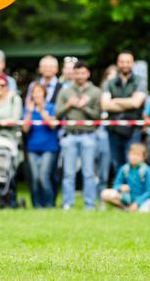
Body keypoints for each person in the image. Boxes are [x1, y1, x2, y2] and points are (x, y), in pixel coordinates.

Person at [56, 61, 101, 210]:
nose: (80, 76)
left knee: (88, 173)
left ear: (88, 74)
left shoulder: (95, 91)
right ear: (73, 74)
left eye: (83, 73)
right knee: (68, 173)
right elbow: (57, 114)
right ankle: (67, 204)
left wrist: (84, 106)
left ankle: (89, 205)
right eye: (77, 72)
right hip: (70, 136)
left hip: (89, 135)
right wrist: (69, 104)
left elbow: (97, 116)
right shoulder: (65, 91)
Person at [101, 51, 147, 173]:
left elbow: (136, 103)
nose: (125, 64)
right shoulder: (109, 83)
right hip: (114, 129)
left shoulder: (140, 81)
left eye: (128, 62)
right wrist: (129, 102)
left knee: (133, 161)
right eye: (122, 62)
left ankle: (133, 190)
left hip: (133, 129)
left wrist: (115, 100)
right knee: (117, 163)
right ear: (118, 63)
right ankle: (121, 191)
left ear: (132, 64)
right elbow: (105, 105)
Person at [22, 83, 59, 208]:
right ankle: (36, 204)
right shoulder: (28, 109)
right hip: (33, 147)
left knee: (44, 176)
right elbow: (25, 129)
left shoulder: (51, 107)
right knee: (35, 178)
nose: (37, 94)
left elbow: (52, 125)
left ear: (44, 94)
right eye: (35, 92)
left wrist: (42, 110)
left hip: (49, 147)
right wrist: (29, 113)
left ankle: (49, 203)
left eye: (39, 91)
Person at [101, 142, 150, 212]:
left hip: (142, 199)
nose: (134, 157)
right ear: (128, 155)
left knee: (143, 213)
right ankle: (125, 208)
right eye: (132, 154)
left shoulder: (147, 170)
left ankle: (133, 209)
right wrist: (120, 187)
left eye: (138, 155)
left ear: (143, 157)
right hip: (128, 198)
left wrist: (137, 203)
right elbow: (115, 185)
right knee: (105, 193)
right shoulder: (124, 168)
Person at [95, 65, 116, 202]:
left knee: (111, 166)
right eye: (109, 76)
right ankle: (98, 197)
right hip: (98, 133)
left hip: (115, 132)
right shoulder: (97, 94)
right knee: (99, 168)